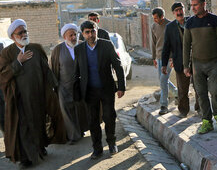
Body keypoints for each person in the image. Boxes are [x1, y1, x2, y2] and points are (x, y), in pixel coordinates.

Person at [0, 19, 66, 168]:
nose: (24, 34)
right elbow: (2, 76)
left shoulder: (36, 49)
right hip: (19, 100)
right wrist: (18, 62)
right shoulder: (7, 53)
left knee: (38, 124)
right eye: (20, 32)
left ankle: (39, 148)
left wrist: (55, 87)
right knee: (23, 128)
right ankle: (26, 158)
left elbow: (46, 70)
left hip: (38, 96)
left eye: (25, 31)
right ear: (13, 36)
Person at [73, 20, 125, 159]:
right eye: (87, 32)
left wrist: (121, 87)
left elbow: (118, 66)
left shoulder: (106, 45)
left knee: (109, 116)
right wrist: (76, 93)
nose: (91, 35)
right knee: (93, 120)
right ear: (83, 34)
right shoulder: (79, 50)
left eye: (93, 31)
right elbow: (76, 72)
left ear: (97, 30)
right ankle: (97, 148)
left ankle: (112, 143)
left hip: (106, 88)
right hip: (89, 91)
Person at [183, 0, 217, 134]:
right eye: (192, 5)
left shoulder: (215, 20)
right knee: (201, 94)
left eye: (196, 5)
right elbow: (186, 45)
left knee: (215, 92)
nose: (193, 8)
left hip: (214, 63)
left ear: (203, 4)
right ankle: (206, 121)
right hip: (197, 65)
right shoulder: (189, 23)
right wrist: (186, 65)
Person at [50, 23, 88, 144]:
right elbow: (53, 69)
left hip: (80, 86)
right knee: (67, 111)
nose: (73, 37)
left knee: (80, 109)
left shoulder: (82, 46)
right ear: (64, 37)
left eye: (75, 34)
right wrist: (54, 86)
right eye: (70, 35)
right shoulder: (58, 49)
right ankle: (73, 136)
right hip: (64, 86)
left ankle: (81, 130)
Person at [161, 2, 200, 118]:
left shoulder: (193, 21)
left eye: (180, 9)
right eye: (176, 11)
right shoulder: (170, 27)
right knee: (182, 90)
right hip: (180, 63)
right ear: (173, 13)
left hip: (196, 61)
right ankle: (183, 111)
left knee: (199, 87)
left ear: (184, 10)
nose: (179, 12)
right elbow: (166, 47)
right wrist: (164, 64)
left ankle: (200, 109)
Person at [151, 7, 178, 115]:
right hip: (159, 57)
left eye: (156, 18)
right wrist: (153, 58)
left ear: (162, 16)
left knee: (163, 80)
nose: (154, 20)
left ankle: (164, 105)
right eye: (153, 18)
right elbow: (153, 43)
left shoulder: (171, 25)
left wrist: (174, 58)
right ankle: (177, 93)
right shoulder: (153, 26)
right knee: (162, 80)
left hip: (169, 58)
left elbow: (175, 43)